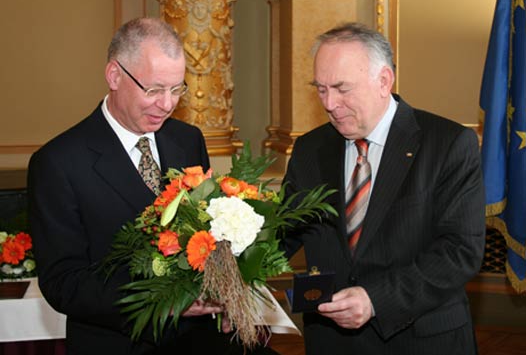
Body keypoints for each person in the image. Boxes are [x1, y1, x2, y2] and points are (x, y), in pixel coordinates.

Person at [27, 18, 244, 354]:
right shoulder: (58, 162)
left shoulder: (188, 140)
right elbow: (63, 283)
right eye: (154, 89)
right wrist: (166, 301)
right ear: (114, 75)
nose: (168, 104)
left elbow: (208, 236)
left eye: (177, 89)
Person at [282, 22, 485, 355]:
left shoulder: (448, 144)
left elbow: (460, 250)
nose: (330, 103)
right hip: (331, 341)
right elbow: (287, 231)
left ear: (384, 81)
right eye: (320, 89)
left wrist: (375, 299)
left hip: (420, 340)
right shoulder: (309, 149)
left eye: (341, 88)